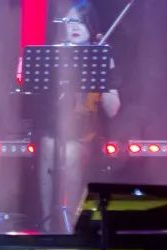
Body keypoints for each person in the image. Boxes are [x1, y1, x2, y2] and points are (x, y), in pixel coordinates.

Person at [36, 0, 121, 232]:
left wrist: (100, 75)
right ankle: (46, 225)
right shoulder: (55, 55)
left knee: (72, 151)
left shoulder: (102, 56)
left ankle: (70, 225)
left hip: (86, 134)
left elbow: (113, 109)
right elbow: (37, 101)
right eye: (70, 21)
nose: (74, 26)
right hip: (53, 129)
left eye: (81, 22)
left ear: (91, 27)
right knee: (48, 145)